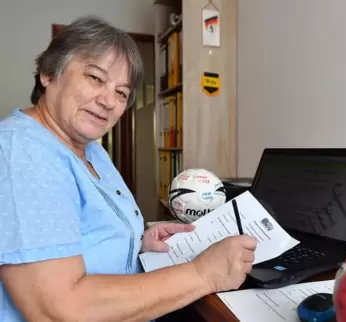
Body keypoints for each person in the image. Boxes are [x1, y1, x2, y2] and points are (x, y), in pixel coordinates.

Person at [0, 15, 257, 322]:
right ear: (48, 72)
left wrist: (136, 241)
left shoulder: (91, 149)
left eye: (121, 93)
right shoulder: (23, 151)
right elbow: (58, 310)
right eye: (95, 78)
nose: (109, 101)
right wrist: (203, 273)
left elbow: (85, 234)